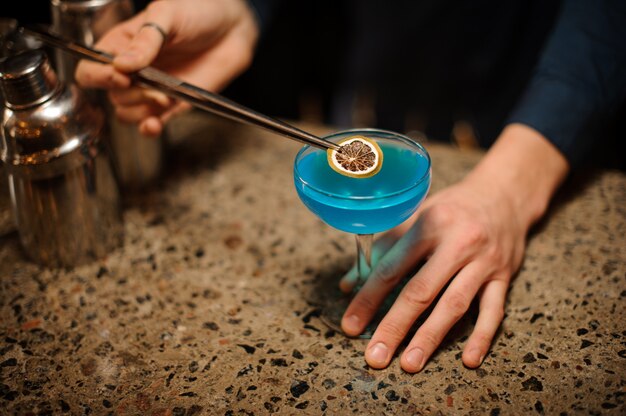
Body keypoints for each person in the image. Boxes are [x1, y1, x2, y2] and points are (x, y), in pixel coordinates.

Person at [75, 0, 626, 373]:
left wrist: (514, 179)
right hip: (373, 81)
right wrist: (240, 7)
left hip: (510, 98)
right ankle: (367, 270)